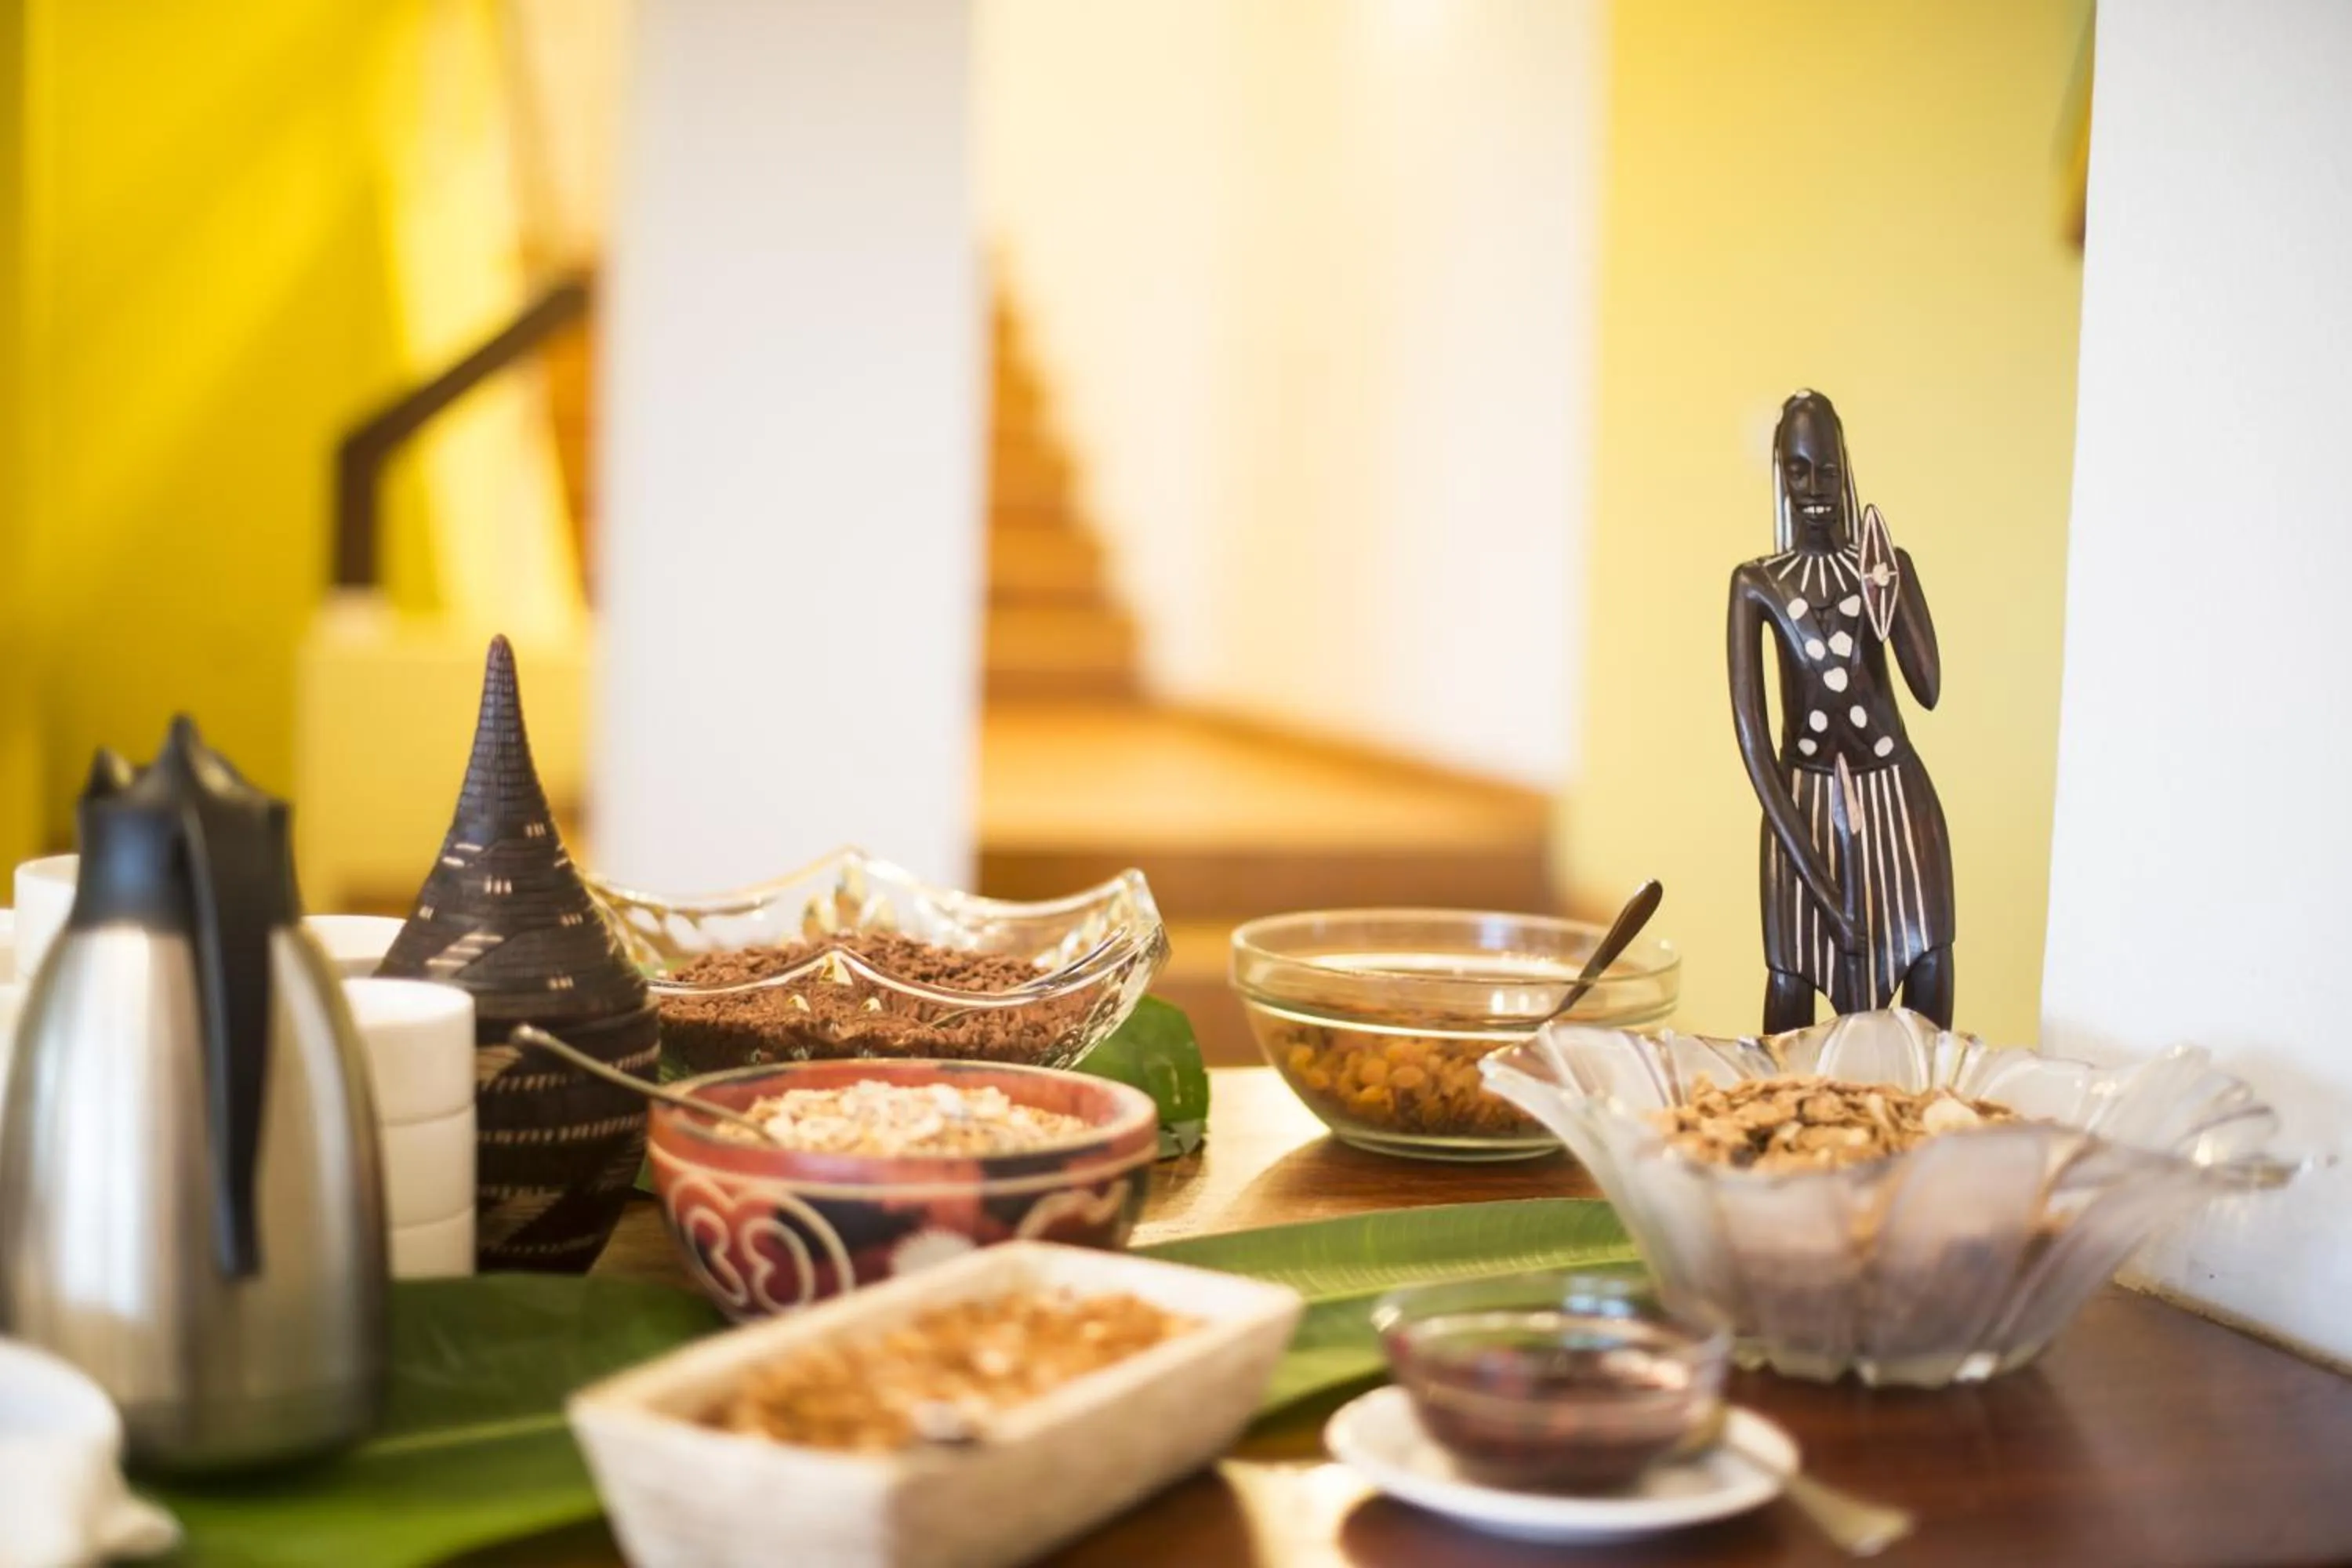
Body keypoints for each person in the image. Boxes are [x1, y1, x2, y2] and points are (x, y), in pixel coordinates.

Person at [1726, 390, 1955, 1030]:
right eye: (1799, 471)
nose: (1815, 488)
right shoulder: (1756, 584)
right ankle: (1781, 1120)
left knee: (1928, 960)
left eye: (1826, 469)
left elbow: (1928, 687)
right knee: (1791, 980)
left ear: (1845, 468)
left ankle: (1921, 1114)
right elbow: (1756, 747)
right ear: (1780, 472)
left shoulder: (1882, 567)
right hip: (1802, 805)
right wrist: (1822, 890)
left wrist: (1893, 587)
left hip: (1897, 797)